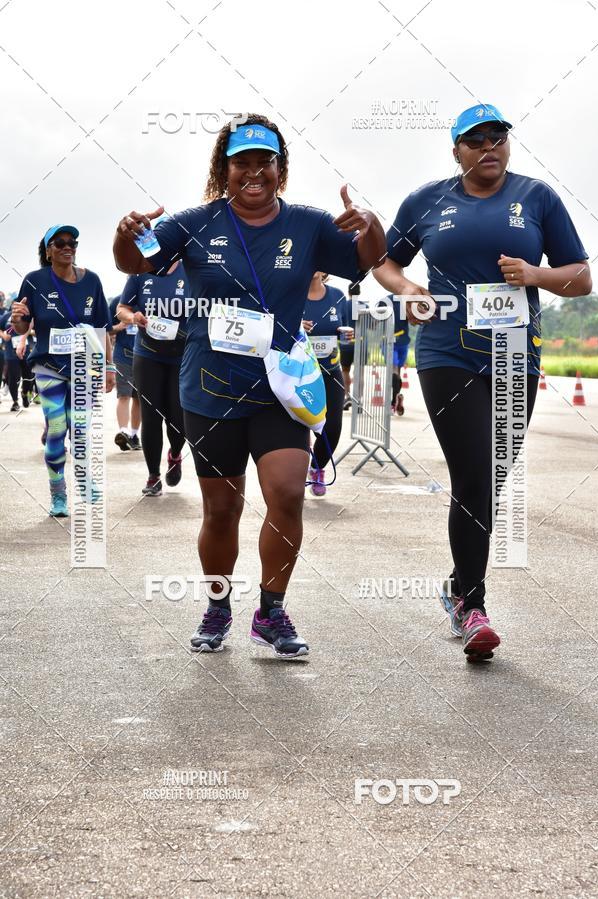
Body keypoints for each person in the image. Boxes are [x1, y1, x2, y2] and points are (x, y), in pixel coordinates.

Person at [113, 113, 385, 657]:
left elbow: (369, 258)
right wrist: (125, 235)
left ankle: (272, 611)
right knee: (221, 509)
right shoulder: (194, 222)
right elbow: (135, 263)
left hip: (279, 386)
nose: (254, 172)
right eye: (243, 163)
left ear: (281, 169)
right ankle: (217, 608)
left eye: (266, 162)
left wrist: (371, 223)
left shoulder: (309, 224)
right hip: (210, 386)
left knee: (287, 493)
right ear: (225, 168)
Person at [374, 103, 591, 661]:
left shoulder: (537, 197)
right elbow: (383, 262)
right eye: (476, 140)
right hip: (447, 351)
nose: (489, 147)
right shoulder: (426, 200)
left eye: (498, 137)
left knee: (491, 478)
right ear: (457, 151)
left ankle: (457, 584)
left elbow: (581, 277)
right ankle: (473, 606)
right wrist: (409, 290)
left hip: (516, 353)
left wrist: (537, 274)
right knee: (473, 472)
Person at [10, 225, 115, 516]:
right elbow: (22, 326)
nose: (68, 247)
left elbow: (103, 328)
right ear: (49, 251)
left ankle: (83, 479)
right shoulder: (34, 281)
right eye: (60, 243)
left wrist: (109, 367)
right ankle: (58, 493)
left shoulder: (92, 280)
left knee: (80, 430)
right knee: (57, 428)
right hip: (49, 365)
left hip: (85, 367)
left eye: (72, 242)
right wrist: (17, 319)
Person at [116, 261, 189, 494]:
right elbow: (121, 308)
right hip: (147, 354)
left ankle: (175, 454)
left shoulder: (191, 268)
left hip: (183, 356)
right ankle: (153, 476)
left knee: (178, 417)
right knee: (151, 416)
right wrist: (132, 317)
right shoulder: (140, 272)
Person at [302, 272, 351, 496]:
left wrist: (345, 334)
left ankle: (317, 468)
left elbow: (345, 331)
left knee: (332, 428)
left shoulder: (338, 296)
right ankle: (295, 474)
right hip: (299, 373)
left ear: (325, 271)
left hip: (330, 372)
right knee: (298, 426)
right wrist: (295, 326)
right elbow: (278, 326)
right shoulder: (293, 292)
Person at [108, 295, 141, 451]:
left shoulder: (149, 299)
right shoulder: (117, 302)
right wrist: (119, 327)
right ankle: (123, 431)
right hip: (123, 356)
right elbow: (106, 329)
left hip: (144, 356)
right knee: (124, 395)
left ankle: (133, 435)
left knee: (139, 398)